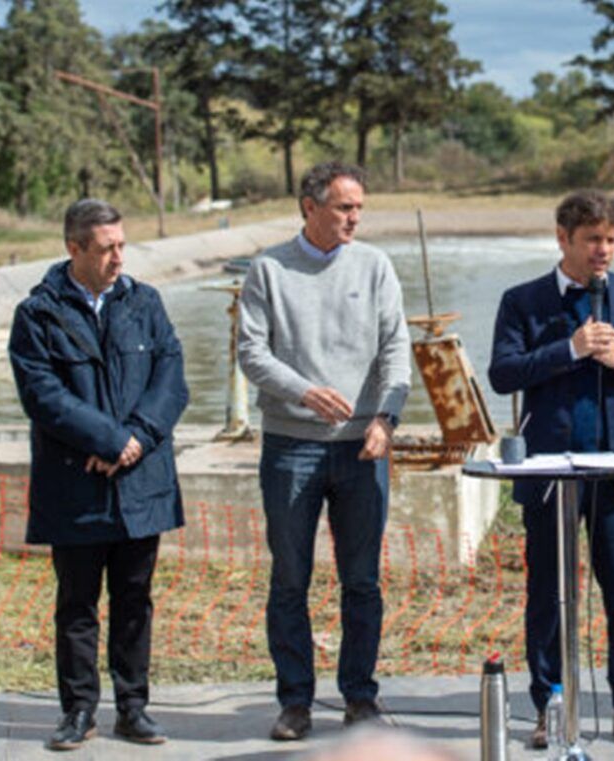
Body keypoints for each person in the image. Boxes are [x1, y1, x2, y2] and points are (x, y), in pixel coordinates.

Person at [487, 190, 614, 749]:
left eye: (612, 240)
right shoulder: (522, 301)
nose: (604, 250)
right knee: (548, 593)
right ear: (563, 238)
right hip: (548, 472)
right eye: (593, 239)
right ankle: (548, 705)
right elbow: (502, 373)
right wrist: (568, 349)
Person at [237, 162, 411, 741]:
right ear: (309, 207)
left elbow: (396, 348)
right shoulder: (268, 269)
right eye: (343, 207)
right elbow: (252, 353)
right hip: (292, 446)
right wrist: (303, 391)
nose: (354, 218)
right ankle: (295, 702)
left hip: (364, 447)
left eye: (359, 208)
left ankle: (360, 696)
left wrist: (386, 417)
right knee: (290, 578)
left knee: (362, 580)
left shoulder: (375, 266)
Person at [9, 199, 189, 750]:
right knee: (77, 605)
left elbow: (171, 378)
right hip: (75, 488)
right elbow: (43, 395)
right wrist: (109, 441)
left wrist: (135, 439)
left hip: (141, 484)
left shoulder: (145, 302)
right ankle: (79, 710)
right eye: (107, 248)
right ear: (75, 249)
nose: (118, 257)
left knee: (135, 601)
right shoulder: (38, 313)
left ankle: (133, 708)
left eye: (122, 245)